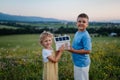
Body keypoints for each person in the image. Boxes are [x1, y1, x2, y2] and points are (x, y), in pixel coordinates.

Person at [67, 13, 92, 80]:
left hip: (82, 64)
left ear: (87, 24)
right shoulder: (78, 32)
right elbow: (76, 45)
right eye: (79, 21)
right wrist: (68, 46)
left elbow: (88, 50)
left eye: (84, 22)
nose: (81, 23)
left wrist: (72, 50)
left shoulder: (86, 36)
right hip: (77, 62)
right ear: (76, 23)